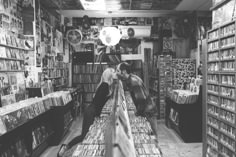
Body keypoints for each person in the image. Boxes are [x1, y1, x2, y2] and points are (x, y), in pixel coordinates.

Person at [57, 67, 116, 157]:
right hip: (91, 112)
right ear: (110, 75)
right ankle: (65, 147)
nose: (115, 75)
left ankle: (66, 147)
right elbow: (98, 102)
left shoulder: (104, 85)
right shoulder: (105, 86)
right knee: (84, 135)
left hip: (92, 111)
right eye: (114, 73)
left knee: (85, 135)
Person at [116, 62, 159, 137]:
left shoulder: (133, 81)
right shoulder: (130, 78)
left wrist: (137, 113)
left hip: (148, 111)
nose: (116, 73)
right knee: (150, 134)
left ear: (124, 72)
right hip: (147, 109)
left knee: (153, 137)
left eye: (118, 70)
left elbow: (141, 99)